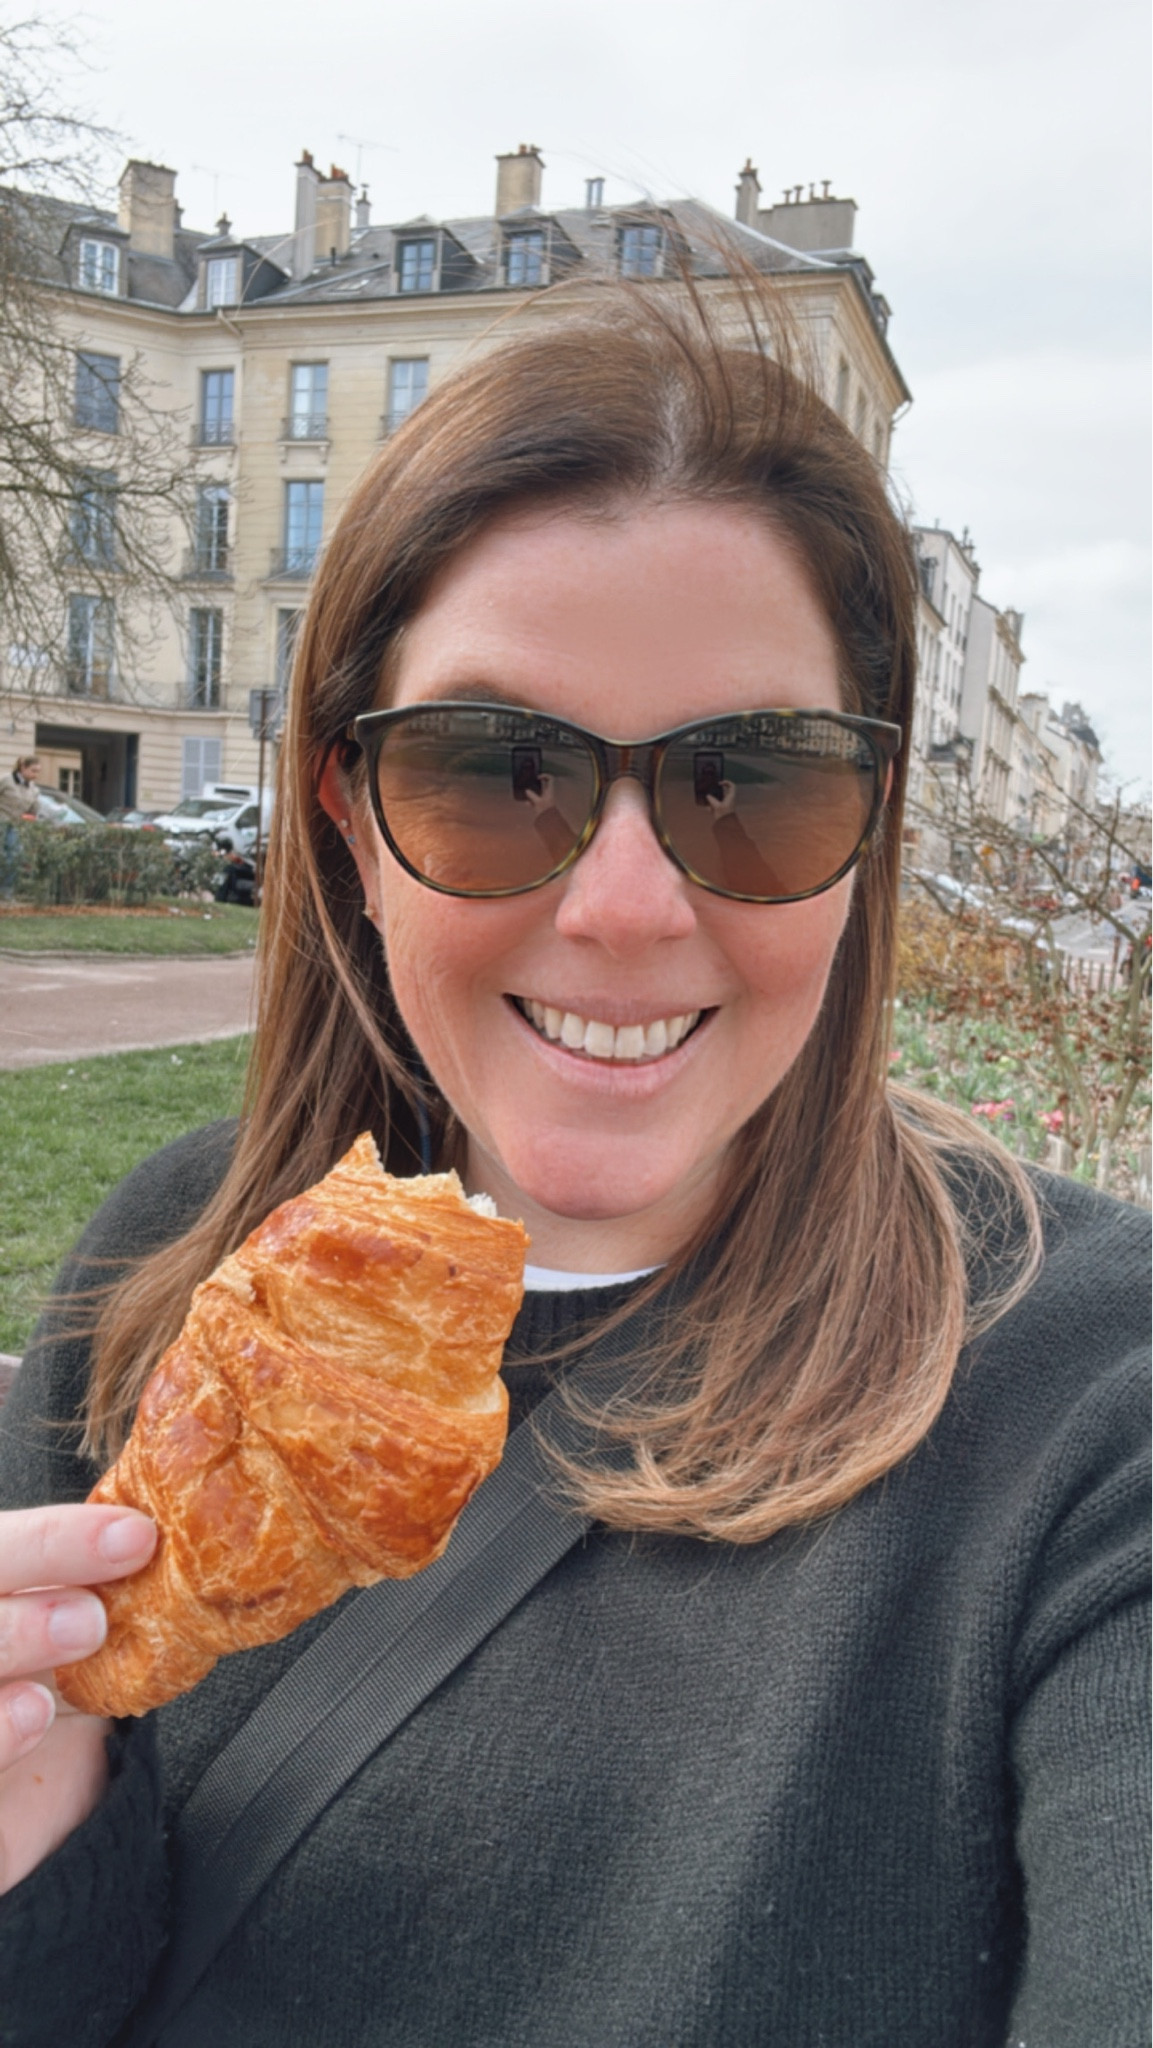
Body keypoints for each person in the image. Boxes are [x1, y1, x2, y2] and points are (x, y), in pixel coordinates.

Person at [0, 282, 1147, 2048]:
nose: (622, 908)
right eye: (495, 770)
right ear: (348, 818)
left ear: (869, 833)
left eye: (751, 780)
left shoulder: (1097, 1406)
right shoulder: (167, 1269)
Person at [0, 753, 41, 898]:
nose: (36, 775)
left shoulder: (33, 789)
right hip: (1, 822)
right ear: (23, 767)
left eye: (38, 772)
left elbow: (34, 811)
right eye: (33, 771)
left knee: (14, 856)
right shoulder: (5, 780)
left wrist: (32, 816)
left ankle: (6, 891)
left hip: (15, 826)